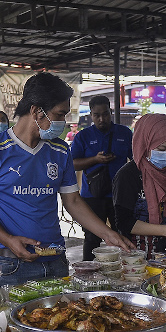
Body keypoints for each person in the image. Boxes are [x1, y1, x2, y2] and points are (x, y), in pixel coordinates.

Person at [0, 72, 133, 285]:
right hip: (10, 264)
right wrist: (9, 240)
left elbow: (72, 201)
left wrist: (108, 234)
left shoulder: (60, 150)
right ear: (36, 110)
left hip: (55, 261)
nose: (63, 122)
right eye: (60, 114)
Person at [112, 114, 166, 258]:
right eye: (162, 149)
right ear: (145, 144)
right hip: (136, 257)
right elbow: (124, 222)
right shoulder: (128, 176)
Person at [70, 96, 133, 261]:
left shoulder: (124, 133)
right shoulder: (83, 136)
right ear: (91, 115)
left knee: (123, 234)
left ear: (111, 112)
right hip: (92, 195)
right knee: (92, 237)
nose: (101, 119)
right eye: (96, 115)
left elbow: (136, 160)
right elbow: (73, 164)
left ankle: (127, 267)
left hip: (120, 195)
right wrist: (94, 160)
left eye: (105, 114)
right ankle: (88, 273)